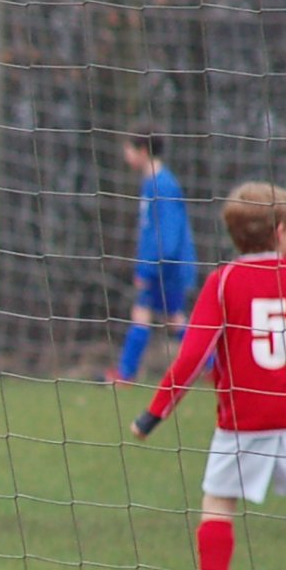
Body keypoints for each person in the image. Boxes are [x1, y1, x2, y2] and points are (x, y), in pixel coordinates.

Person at [130, 183, 286, 570]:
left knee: (218, 502)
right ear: (283, 230)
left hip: (242, 424)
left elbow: (192, 356)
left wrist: (152, 414)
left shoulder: (224, 281)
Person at [109, 128, 199, 384]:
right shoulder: (151, 182)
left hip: (166, 268)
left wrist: (147, 270)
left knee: (159, 316)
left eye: (128, 149)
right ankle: (213, 367)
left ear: (143, 151)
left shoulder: (164, 185)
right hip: (161, 267)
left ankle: (125, 374)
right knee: (168, 318)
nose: (125, 154)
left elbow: (168, 238)